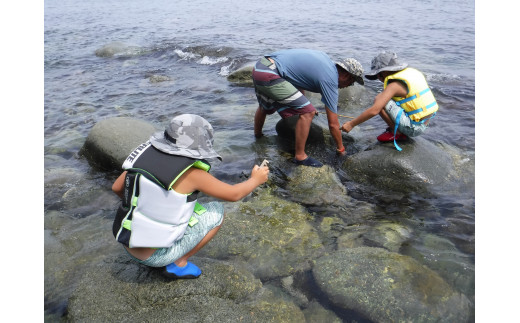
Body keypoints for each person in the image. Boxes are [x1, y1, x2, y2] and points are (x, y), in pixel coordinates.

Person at [111, 114, 269, 279]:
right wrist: (255, 180)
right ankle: (179, 263)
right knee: (217, 212)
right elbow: (234, 194)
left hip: (127, 244)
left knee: (187, 204)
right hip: (156, 257)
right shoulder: (192, 173)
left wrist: (145, 206)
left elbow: (117, 188)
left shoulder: (142, 159)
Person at [252, 48, 364, 167]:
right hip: (270, 74)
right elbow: (333, 124)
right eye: (351, 83)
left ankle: (258, 136)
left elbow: (297, 78)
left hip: (261, 67)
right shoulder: (330, 79)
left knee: (265, 108)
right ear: (347, 76)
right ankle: (300, 156)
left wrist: (303, 103)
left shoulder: (325, 62)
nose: (348, 86)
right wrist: (341, 149)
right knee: (308, 112)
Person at [341, 51, 438, 151]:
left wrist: (351, 124)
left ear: (384, 72)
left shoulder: (394, 85)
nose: (378, 78)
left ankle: (397, 133)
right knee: (386, 98)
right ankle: (399, 129)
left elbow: (375, 110)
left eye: (378, 75)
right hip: (424, 123)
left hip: (413, 128)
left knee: (379, 98)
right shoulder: (411, 74)